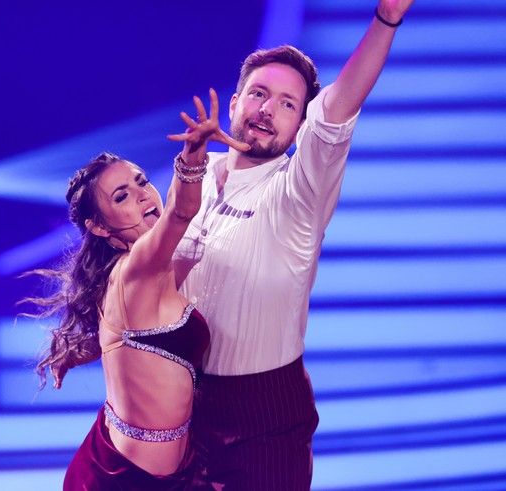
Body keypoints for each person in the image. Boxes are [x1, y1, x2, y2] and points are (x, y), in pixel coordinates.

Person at [172, 1, 416, 489]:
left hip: (265, 414)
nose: (267, 110)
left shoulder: (301, 187)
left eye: (287, 103)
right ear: (237, 100)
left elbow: (338, 107)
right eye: (259, 94)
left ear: (302, 123)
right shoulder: (198, 173)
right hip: (181, 401)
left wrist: (386, 19)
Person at [21, 89, 249, 490]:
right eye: (122, 196)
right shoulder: (134, 271)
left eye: (142, 181)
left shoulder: (152, 270)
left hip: (178, 473)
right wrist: (194, 154)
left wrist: (79, 352)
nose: (144, 194)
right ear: (100, 227)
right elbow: (180, 211)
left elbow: (135, 340)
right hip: (123, 480)